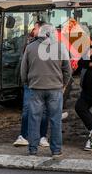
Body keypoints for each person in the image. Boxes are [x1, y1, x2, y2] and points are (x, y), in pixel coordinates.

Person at [21, 23, 71, 157]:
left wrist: (28, 83)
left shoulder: (30, 47)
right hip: (55, 89)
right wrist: (63, 84)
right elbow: (68, 69)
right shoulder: (60, 47)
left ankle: (33, 149)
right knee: (55, 120)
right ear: (51, 34)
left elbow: (23, 70)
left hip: (36, 88)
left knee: (34, 119)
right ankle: (56, 150)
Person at [14, 21, 49, 148]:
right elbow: (24, 65)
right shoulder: (29, 44)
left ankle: (42, 136)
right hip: (32, 82)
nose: (32, 30)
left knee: (43, 111)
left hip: (44, 83)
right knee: (28, 110)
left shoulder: (53, 46)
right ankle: (24, 135)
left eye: (34, 28)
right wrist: (26, 81)